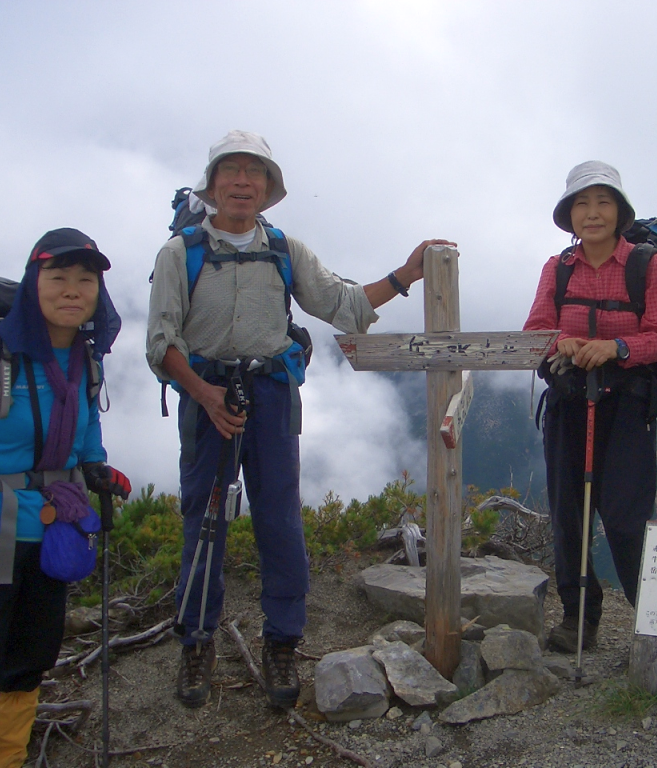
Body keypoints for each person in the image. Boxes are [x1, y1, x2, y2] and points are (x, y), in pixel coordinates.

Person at [146, 129, 454, 710]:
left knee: (279, 520)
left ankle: (282, 640)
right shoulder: (179, 253)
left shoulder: (286, 250)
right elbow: (160, 342)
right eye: (231, 172)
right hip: (204, 392)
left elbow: (347, 306)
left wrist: (405, 275)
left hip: (270, 396)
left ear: (268, 189)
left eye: (254, 173)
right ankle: (197, 640)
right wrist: (205, 395)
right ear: (212, 186)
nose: (242, 182)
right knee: (203, 518)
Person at [0, 229, 131, 767]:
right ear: (33, 284)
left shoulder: (85, 361)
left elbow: (85, 435)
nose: (72, 290)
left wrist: (97, 471)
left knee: (26, 667)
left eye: (85, 280)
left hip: (48, 534)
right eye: (57, 277)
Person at [524, 161, 657, 652]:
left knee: (625, 517)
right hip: (570, 403)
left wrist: (617, 348)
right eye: (582, 204)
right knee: (569, 513)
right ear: (569, 214)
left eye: (603, 202)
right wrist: (562, 343)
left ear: (620, 211)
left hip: (625, 404)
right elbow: (535, 334)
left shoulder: (648, 265)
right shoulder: (558, 268)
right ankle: (578, 618)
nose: (592, 213)